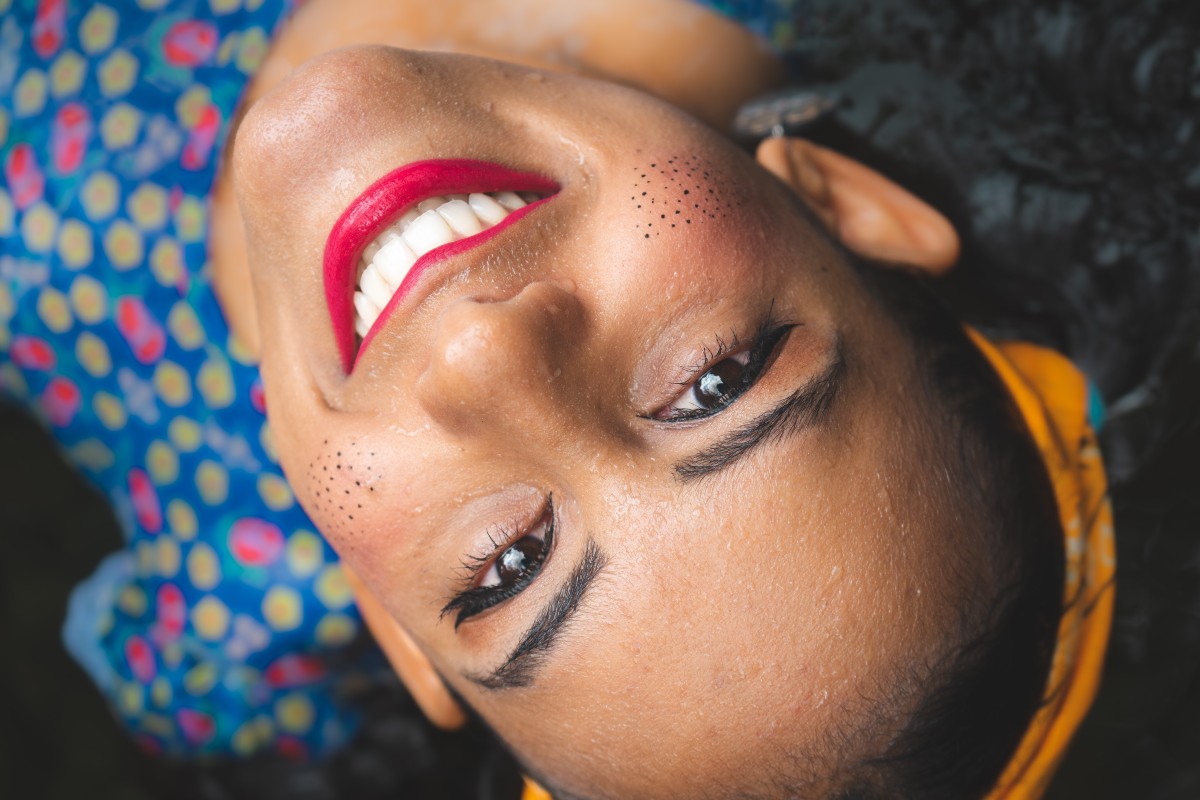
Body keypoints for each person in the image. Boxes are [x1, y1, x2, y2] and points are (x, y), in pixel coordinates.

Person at [3, 0, 1191, 797]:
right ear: (837, 203)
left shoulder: (239, 620)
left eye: (505, 566)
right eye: (713, 380)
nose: (482, 357)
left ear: (390, 623)